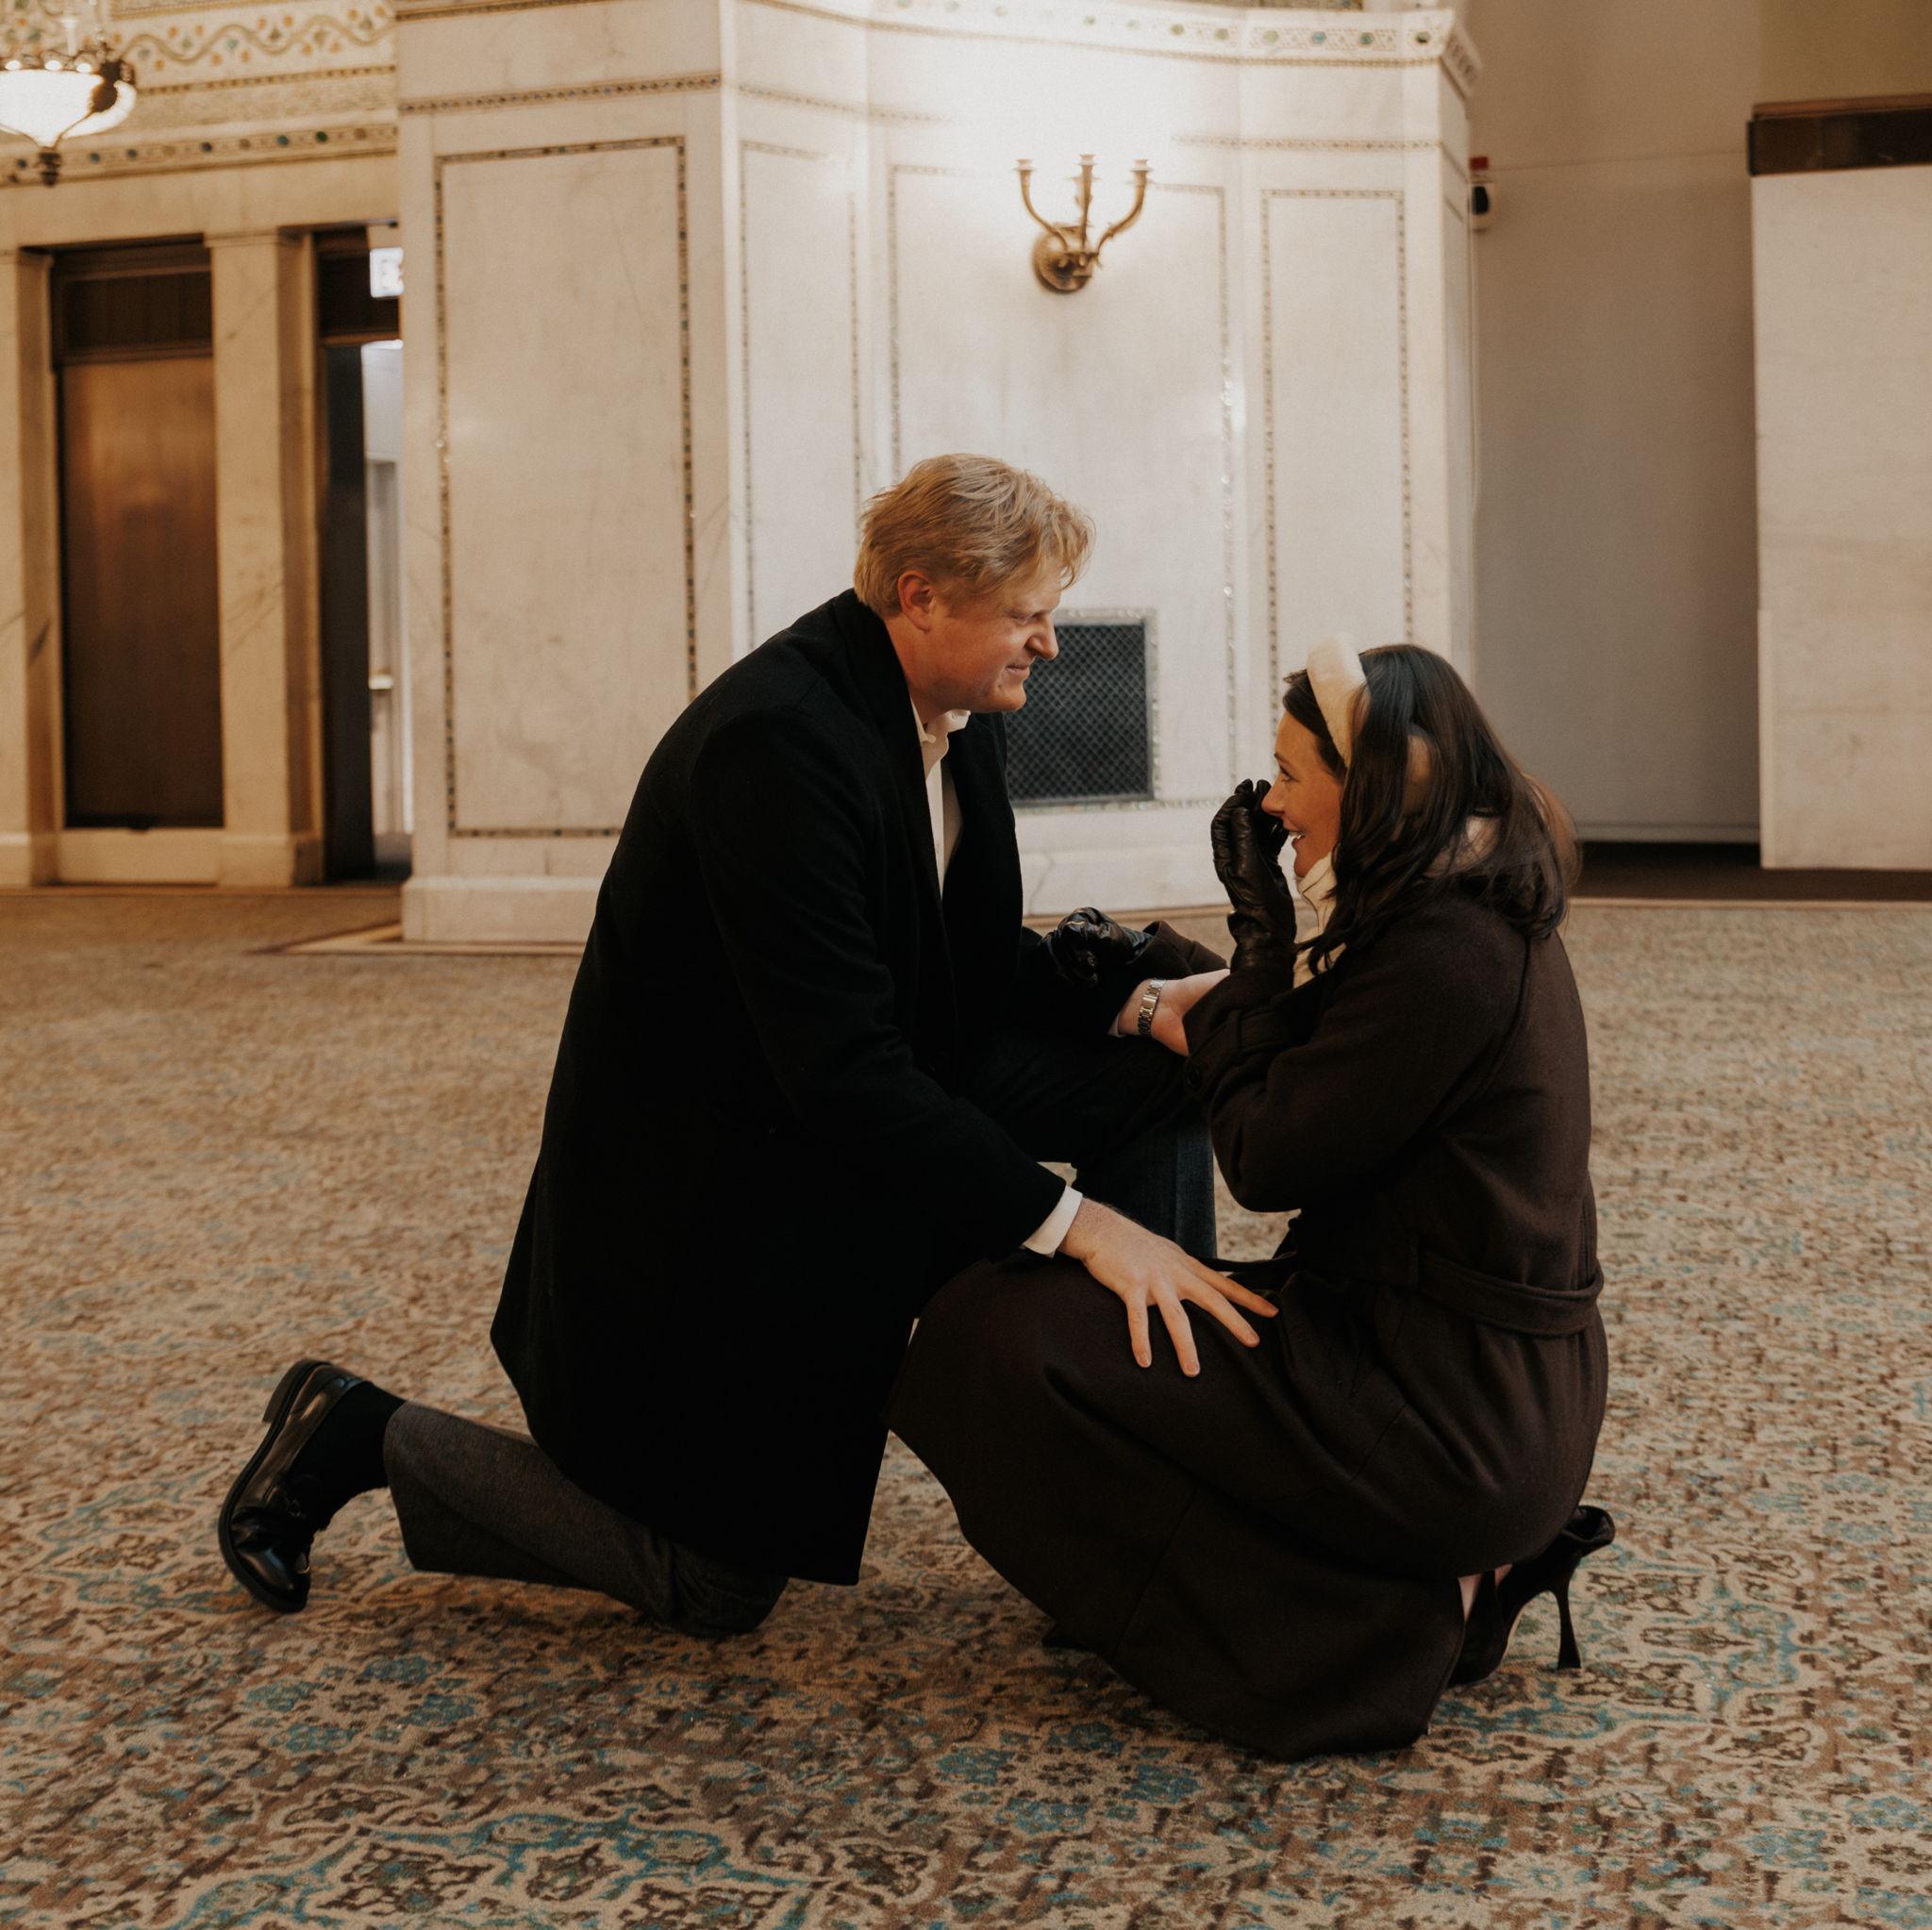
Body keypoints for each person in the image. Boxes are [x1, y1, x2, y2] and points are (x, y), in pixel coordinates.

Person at [216, 454, 1274, 1632]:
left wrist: (1133, 1005)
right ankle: (360, 1429)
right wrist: (1082, 1230)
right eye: (1027, 616)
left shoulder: (957, 712)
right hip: (718, 1195)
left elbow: (943, 958)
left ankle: (1139, 1474)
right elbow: (842, 1071)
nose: (1050, 646)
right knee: (714, 1587)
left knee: (1156, 1082)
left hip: (849, 1105)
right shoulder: (776, 743)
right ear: (921, 596)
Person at [890, 637, 1617, 1759]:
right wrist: (1228, 976)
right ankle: (1370, 1571)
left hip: (1449, 1420)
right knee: (1061, 1324)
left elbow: (1266, 1153)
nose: (1272, 806)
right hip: (1449, 1376)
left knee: (989, 1338)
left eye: (1289, 775)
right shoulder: (1448, 908)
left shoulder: (1448, 954)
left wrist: (1256, 948)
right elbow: (1314, 1061)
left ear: (1371, 788)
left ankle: (1393, 1625)